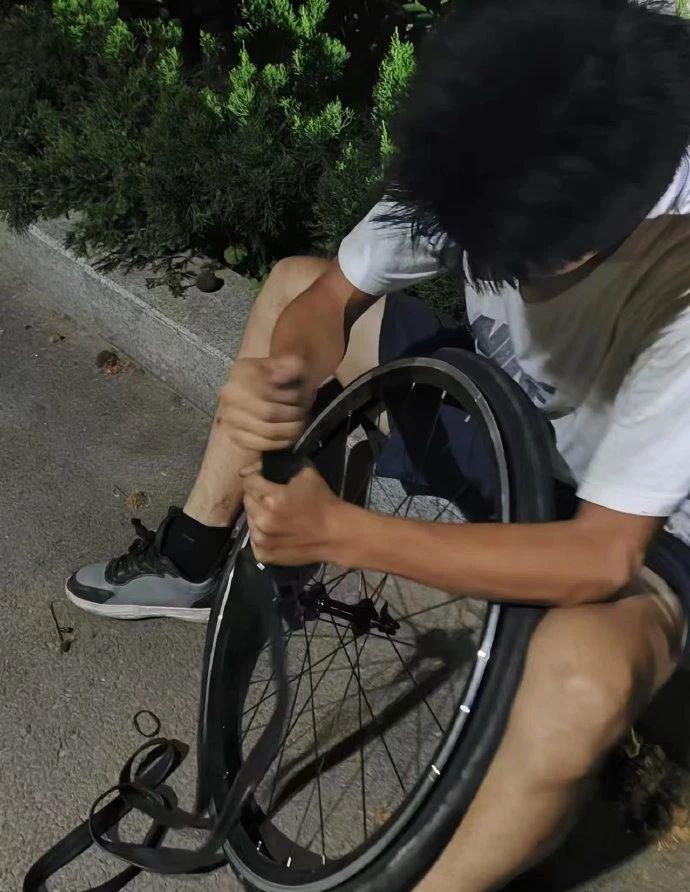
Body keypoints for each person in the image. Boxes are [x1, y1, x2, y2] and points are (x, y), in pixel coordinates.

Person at [66, 1, 690, 889]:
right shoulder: (503, 121)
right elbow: (328, 300)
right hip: (504, 420)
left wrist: (346, 535)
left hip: (643, 519)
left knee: (582, 680)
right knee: (291, 284)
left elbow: (600, 556)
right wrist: (286, 375)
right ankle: (193, 558)